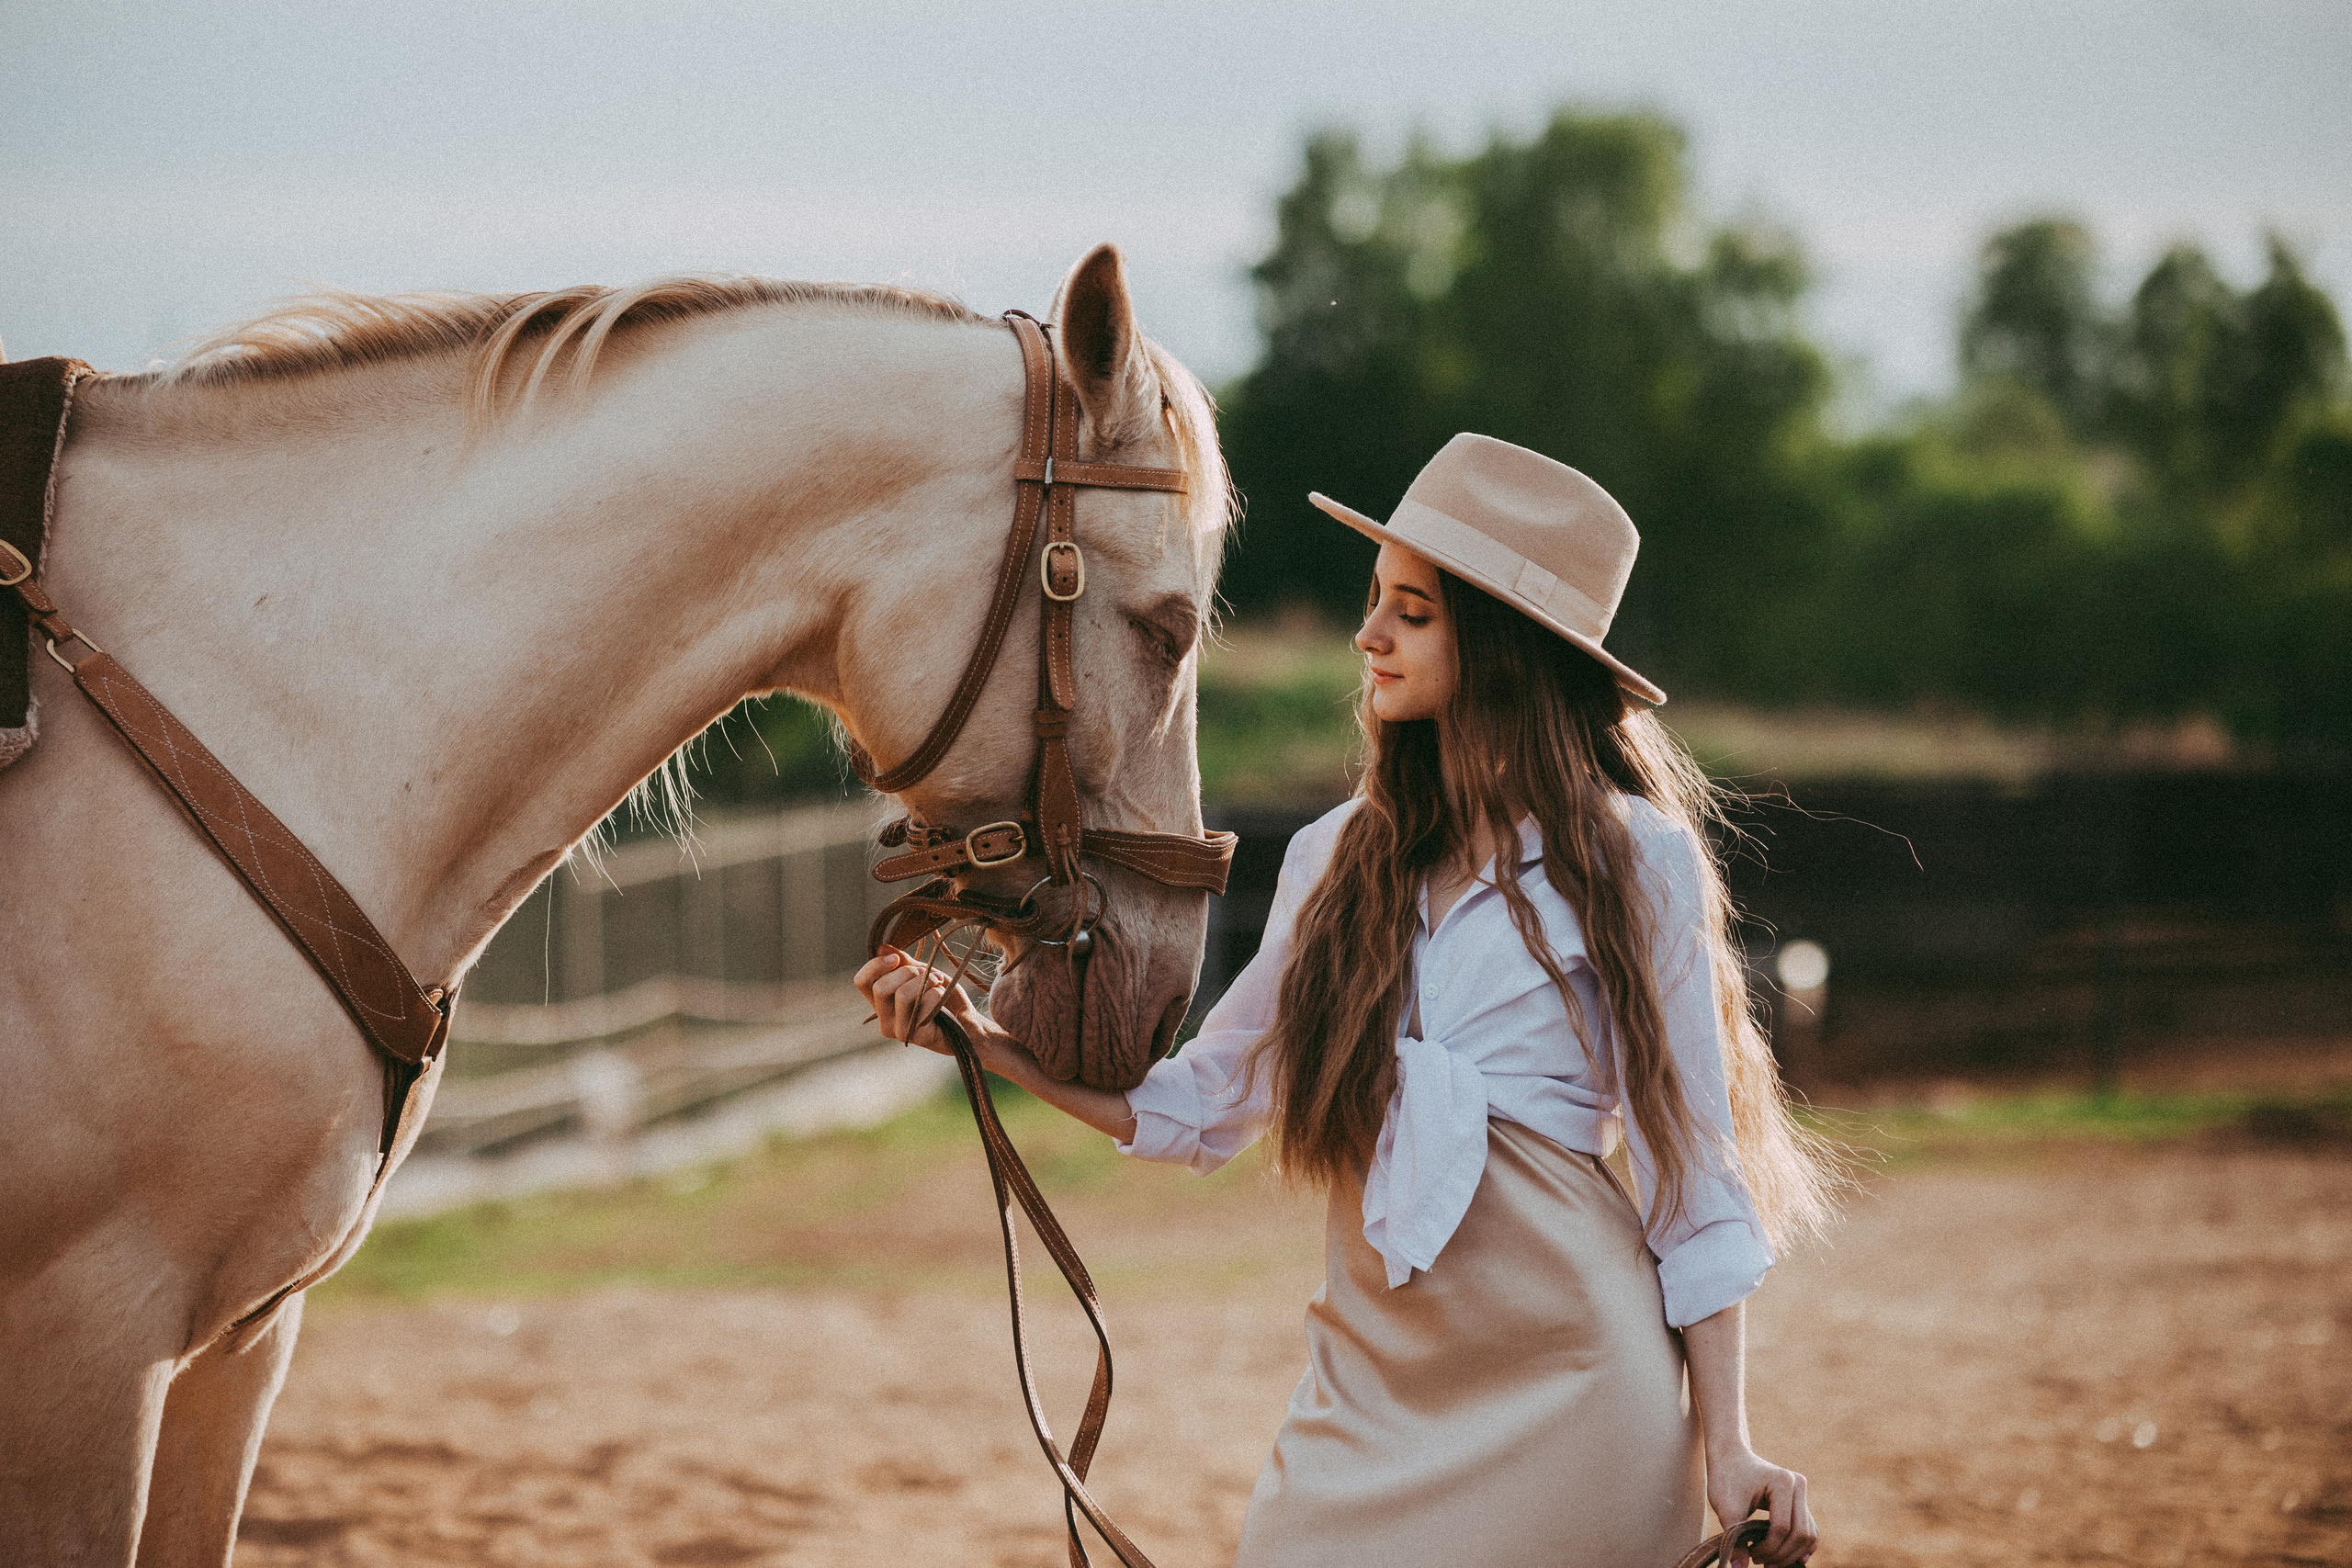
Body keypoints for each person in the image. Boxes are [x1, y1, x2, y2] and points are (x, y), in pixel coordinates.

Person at [856, 434, 1837, 1568]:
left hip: (1578, 1382)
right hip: (1365, 1391)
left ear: (1503, 646)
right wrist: (982, 1044)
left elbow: (1691, 1177)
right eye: (1376, 602)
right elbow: (1202, 1106)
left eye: (1411, 612)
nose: (1367, 635)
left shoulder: (1639, 862)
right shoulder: (1332, 859)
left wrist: (1729, 1449)